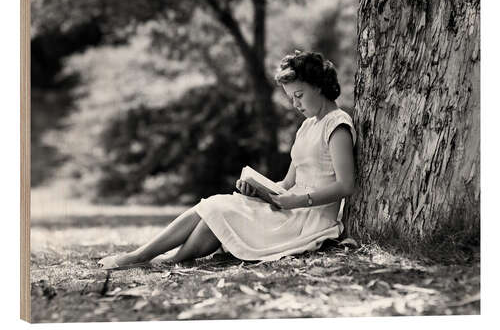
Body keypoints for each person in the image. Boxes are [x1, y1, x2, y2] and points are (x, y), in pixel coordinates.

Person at [98, 50, 356, 269]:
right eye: (291, 99)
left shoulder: (337, 125)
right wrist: (259, 191)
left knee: (220, 212)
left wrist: (297, 201)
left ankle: (156, 258)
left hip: (309, 220)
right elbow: (288, 182)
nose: (295, 105)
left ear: (318, 85)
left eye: (299, 95)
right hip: (290, 207)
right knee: (216, 206)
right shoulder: (307, 126)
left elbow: (346, 186)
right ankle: (147, 256)